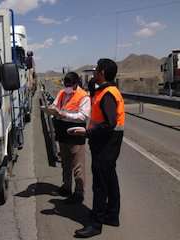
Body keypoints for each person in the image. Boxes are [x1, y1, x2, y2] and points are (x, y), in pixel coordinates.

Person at [69, 59, 125, 238]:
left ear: (101, 72)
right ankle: (112, 215)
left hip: (106, 144)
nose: (93, 72)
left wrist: (87, 133)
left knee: (100, 184)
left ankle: (96, 223)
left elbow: (109, 123)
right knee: (110, 179)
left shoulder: (107, 94)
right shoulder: (105, 90)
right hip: (109, 143)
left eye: (96, 70)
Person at [48, 72, 91, 204]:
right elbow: (55, 105)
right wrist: (51, 109)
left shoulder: (83, 96)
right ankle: (66, 187)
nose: (67, 87)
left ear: (76, 84)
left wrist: (64, 114)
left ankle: (79, 192)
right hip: (62, 132)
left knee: (77, 165)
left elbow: (83, 116)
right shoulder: (62, 93)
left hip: (76, 133)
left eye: (69, 85)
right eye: (65, 85)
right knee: (65, 162)